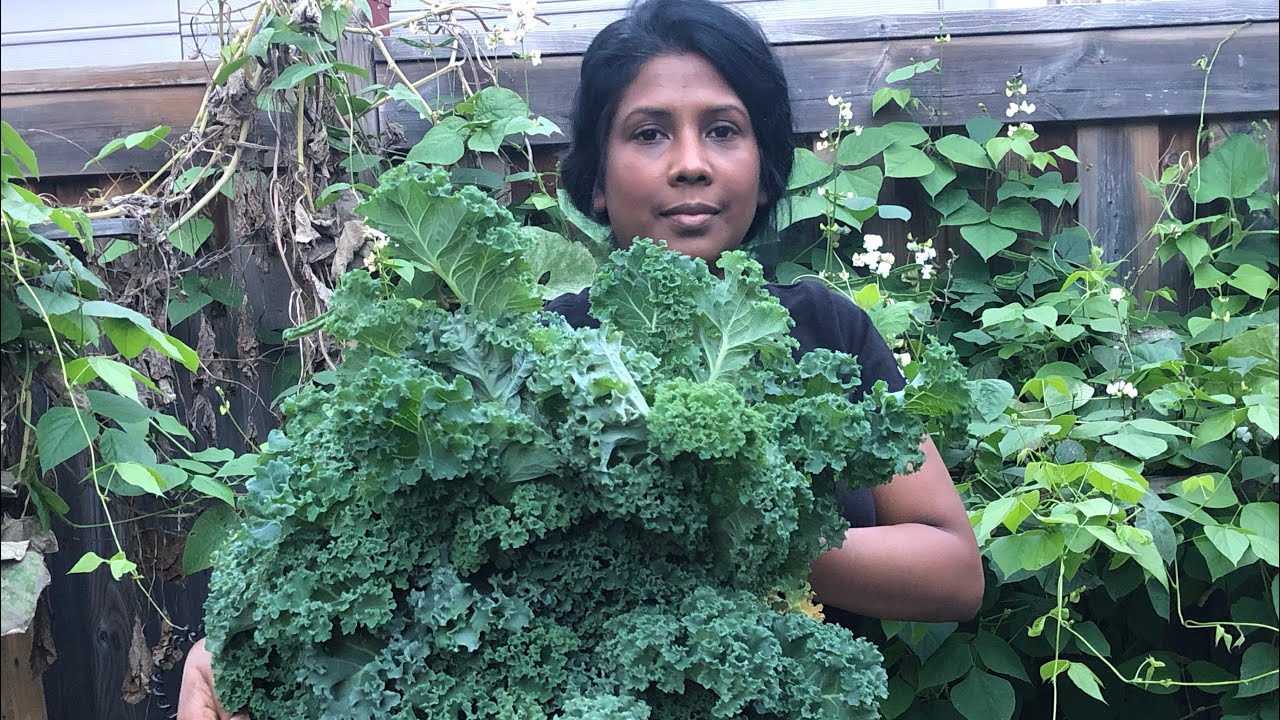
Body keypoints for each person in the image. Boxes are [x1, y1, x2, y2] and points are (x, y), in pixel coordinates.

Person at [179, 1, 983, 716]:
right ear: (595, 180)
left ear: (764, 168)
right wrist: (239, 649)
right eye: (649, 132)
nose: (691, 162)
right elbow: (379, 562)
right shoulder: (525, 358)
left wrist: (733, 527)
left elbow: (953, 574)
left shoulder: (825, 335)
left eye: (724, 129)